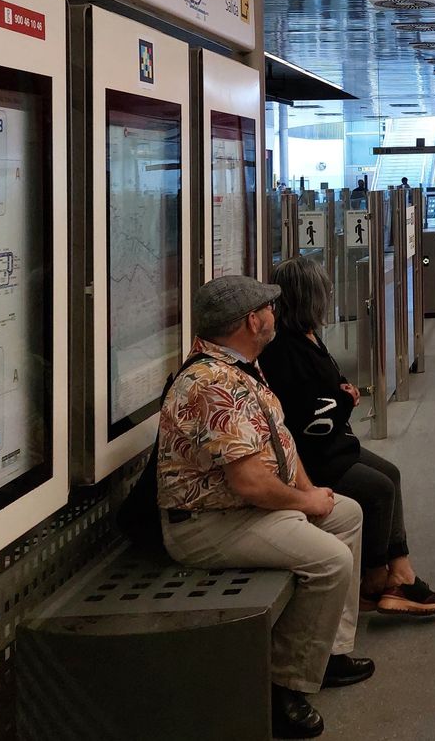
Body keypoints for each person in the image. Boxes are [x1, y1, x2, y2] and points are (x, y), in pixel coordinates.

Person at [157, 275, 374, 740]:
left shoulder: (242, 367)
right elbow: (251, 482)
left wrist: (313, 496)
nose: (275, 314)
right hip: (208, 524)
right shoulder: (212, 384)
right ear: (252, 321)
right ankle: (284, 686)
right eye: (268, 308)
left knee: (347, 514)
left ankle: (329, 651)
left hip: (243, 510)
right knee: (331, 560)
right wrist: (303, 501)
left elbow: (282, 444)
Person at [260, 257, 435, 617]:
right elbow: (303, 417)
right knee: (378, 491)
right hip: (315, 454)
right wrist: (342, 402)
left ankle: (400, 573)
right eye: (324, 290)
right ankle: (376, 580)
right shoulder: (283, 349)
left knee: (390, 475)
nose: (330, 295)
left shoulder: (309, 336)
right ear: (309, 297)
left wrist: (339, 396)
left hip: (335, 443)